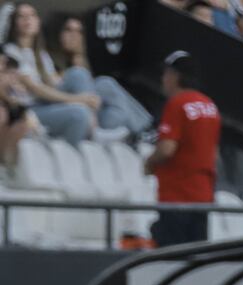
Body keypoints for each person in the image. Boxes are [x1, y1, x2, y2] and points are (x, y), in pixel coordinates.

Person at [145, 51, 221, 247]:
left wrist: (149, 162)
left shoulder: (177, 103)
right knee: (196, 258)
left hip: (176, 194)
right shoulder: (209, 105)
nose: (163, 80)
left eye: (165, 74)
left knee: (172, 259)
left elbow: (167, 148)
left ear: (174, 76)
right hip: (202, 194)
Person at [45, 13, 152, 137]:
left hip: (94, 115)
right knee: (103, 83)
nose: (74, 35)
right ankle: (144, 129)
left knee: (107, 86)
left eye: (79, 32)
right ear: (57, 33)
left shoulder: (81, 60)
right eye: (68, 30)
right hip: (65, 110)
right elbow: (51, 86)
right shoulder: (47, 58)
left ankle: (145, 128)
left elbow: (92, 96)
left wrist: (79, 60)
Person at [4, 3, 97, 145]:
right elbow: (37, 89)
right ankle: (92, 132)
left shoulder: (41, 54)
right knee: (79, 112)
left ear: (38, 21)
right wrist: (78, 99)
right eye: (21, 16)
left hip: (47, 103)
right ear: (14, 23)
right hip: (32, 110)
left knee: (98, 81)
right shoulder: (11, 52)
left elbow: (54, 83)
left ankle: (140, 130)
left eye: (32, 15)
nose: (27, 20)